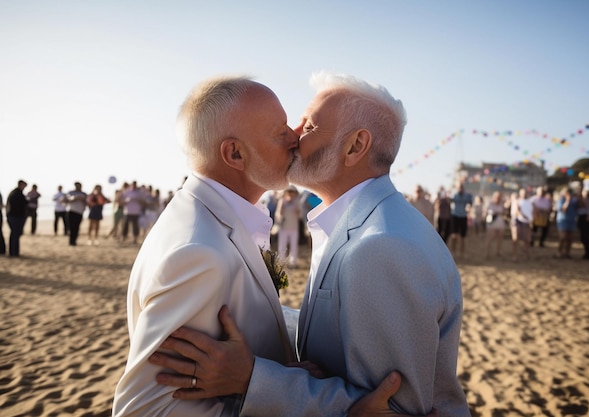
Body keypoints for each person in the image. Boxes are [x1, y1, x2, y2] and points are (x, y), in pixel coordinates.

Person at [150, 72, 469, 416]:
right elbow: (340, 327)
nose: (293, 136)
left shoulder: (381, 247)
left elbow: (389, 408)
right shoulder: (358, 224)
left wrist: (252, 378)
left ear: (355, 147)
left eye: (310, 127)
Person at [112, 76, 400, 417]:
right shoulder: (199, 255)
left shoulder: (213, 218)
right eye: (280, 132)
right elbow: (143, 410)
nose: (295, 136)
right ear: (235, 153)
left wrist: (271, 377)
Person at [275, 185, 301, 268]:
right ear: (285, 192)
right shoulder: (281, 201)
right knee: (282, 245)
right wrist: (281, 210)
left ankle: (293, 262)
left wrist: (297, 212)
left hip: (294, 227)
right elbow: (278, 214)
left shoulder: (297, 202)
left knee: (294, 246)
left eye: (292, 192)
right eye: (289, 191)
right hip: (283, 227)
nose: (290, 193)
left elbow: (300, 215)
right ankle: (281, 262)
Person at [448, 183, 472, 257]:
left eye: (461, 187)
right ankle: (453, 251)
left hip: (463, 216)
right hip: (455, 216)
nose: (460, 189)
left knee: (462, 236)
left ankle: (462, 253)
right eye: (459, 187)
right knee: (453, 235)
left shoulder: (467, 195)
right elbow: (449, 201)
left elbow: (470, 203)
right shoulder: (453, 194)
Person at [6, 180, 28, 257]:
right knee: (15, 234)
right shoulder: (16, 194)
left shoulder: (16, 193)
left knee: (15, 234)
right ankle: (14, 252)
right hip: (15, 217)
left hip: (13, 216)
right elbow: (21, 204)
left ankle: (13, 252)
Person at [555, 188, 578, 259]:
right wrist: (567, 201)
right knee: (563, 237)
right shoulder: (561, 201)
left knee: (570, 238)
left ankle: (567, 253)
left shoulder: (574, 201)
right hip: (563, 221)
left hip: (571, 221)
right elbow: (563, 210)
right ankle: (559, 252)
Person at [484, 191, 507, 258]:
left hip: (499, 222)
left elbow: (504, 212)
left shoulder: (501, 204)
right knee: (489, 238)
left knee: (500, 238)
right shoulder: (490, 203)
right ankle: (487, 253)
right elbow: (487, 211)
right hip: (491, 221)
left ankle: (498, 252)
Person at [66, 182, 88, 246]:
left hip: (80, 212)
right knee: (71, 227)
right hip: (71, 211)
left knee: (77, 227)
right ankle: (71, 241)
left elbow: (87, 203)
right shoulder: (71, 192)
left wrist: (83, 200)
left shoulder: (84, 194)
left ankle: (74, 241)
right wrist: (76, 198)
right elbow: (68, 200)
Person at [577, 189, 589, 260]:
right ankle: (588, 252)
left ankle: (588, 253)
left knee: (585, 237)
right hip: (581, 218)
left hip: (586, 219)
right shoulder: (579, 201)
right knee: (583, 237)